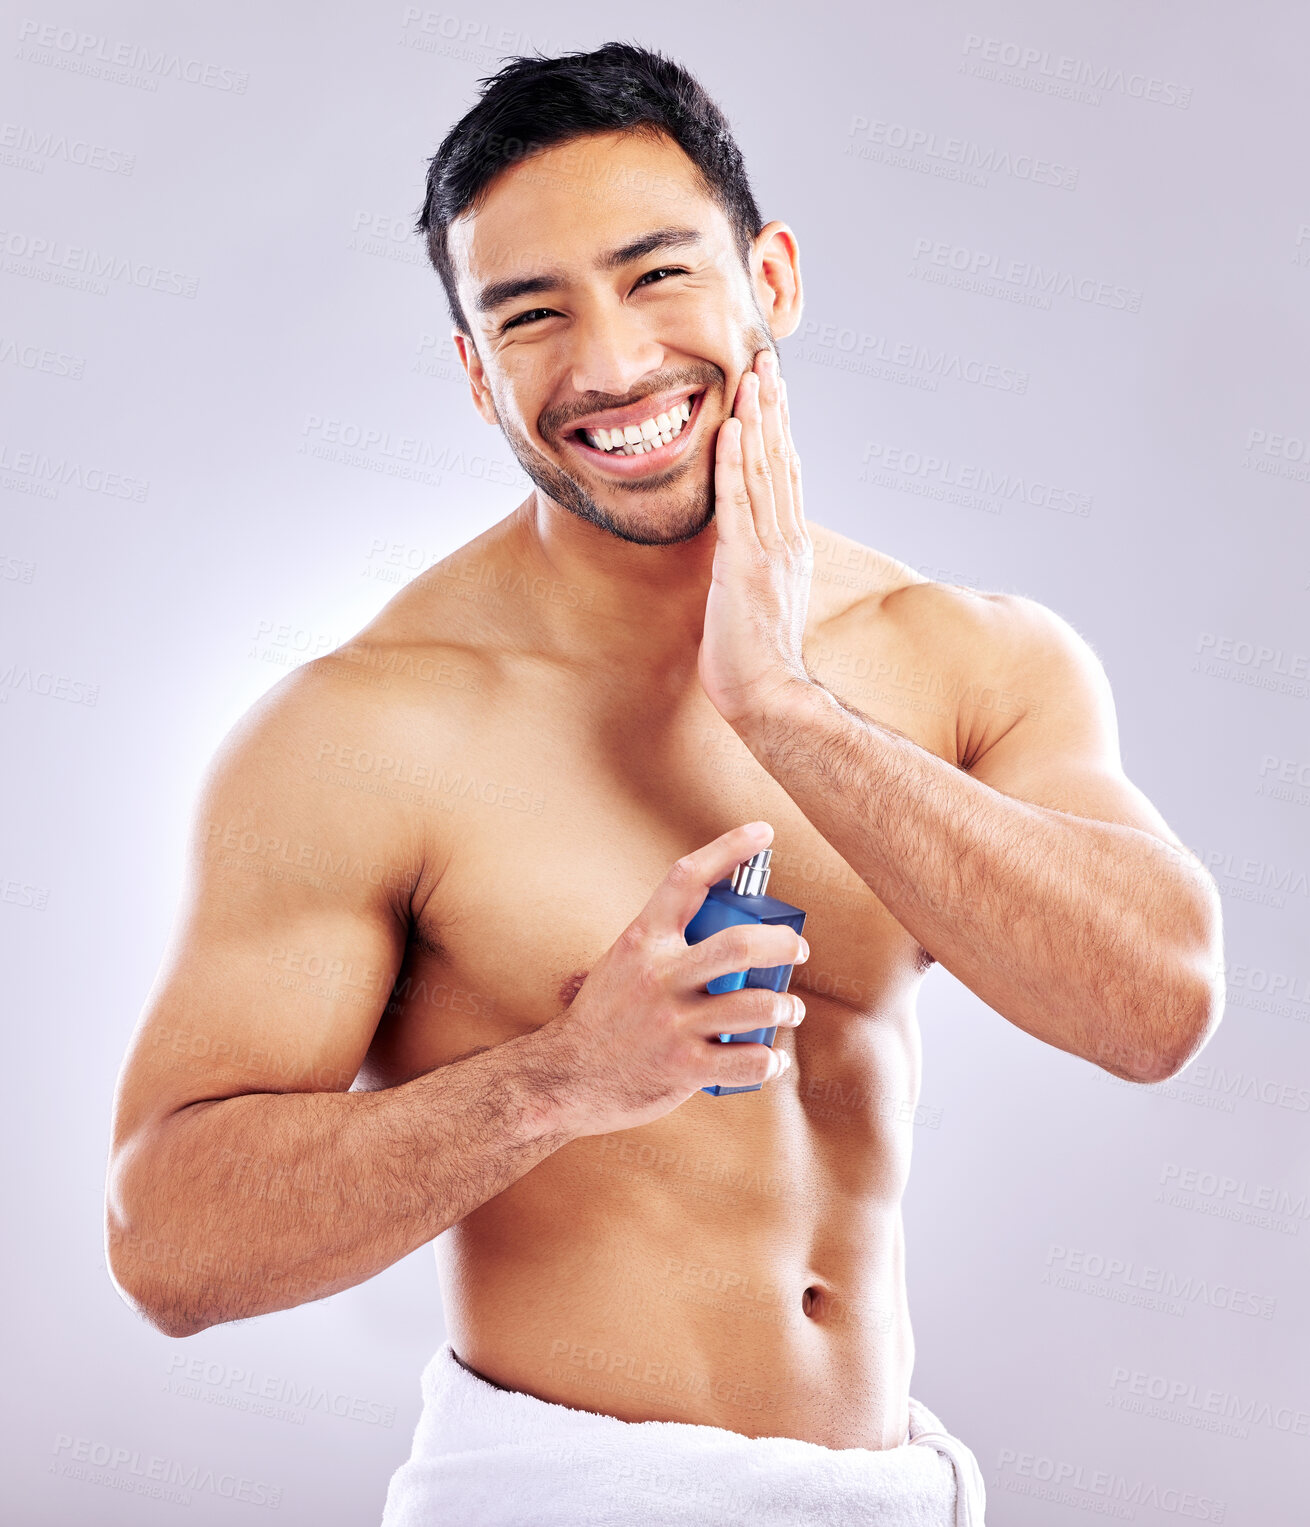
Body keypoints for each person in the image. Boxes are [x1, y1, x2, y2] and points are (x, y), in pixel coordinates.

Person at [105, 41, 1224, 1526]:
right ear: (473, 371)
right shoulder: (366, 729)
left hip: (890, 1490)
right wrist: (558, 1081)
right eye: (531, 314)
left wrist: (781, 704)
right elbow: (170, 1249)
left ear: (771, 277)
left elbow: (1151, 1007)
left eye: (654, 276)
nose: (612, 366)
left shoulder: (961, 656)